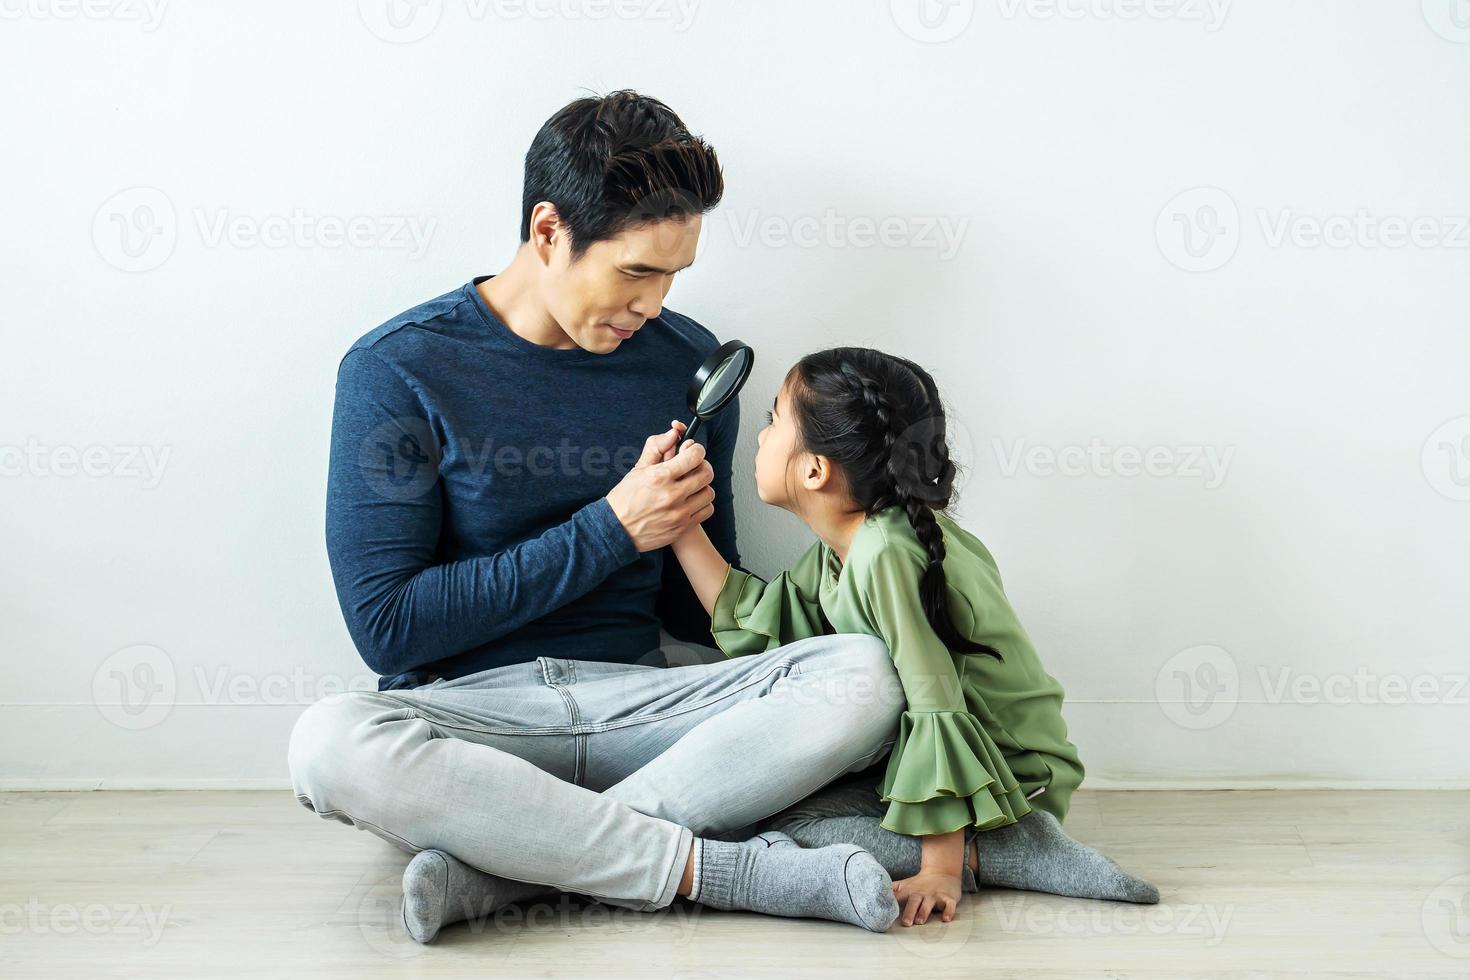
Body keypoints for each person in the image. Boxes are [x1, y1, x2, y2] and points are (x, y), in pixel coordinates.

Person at [288, 91, 911, 943]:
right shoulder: (398, 371)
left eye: (672, 277)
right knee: (328, 743)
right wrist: (612, 528)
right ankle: (717, 870)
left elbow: (701, 620)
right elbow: (389, 629)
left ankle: (503, 871)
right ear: (549, 232)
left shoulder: (687, 364)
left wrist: (709, 522)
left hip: (646, 709)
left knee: (864, 674)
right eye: (636, 272)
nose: (652, 305)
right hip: (480, 727)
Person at [666, 346, 1162, 927]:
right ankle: (982, 848)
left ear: (814, 470)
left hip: (1009, 779)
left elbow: (937, 706)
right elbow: (766, 622)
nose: (760, 435)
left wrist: (941, 871)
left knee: (784, 826)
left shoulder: (886, 552)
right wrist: (681, 525)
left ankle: (1005, 849)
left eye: (774, 419)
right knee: (760, 807)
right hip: (957, 771)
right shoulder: (848, 547)